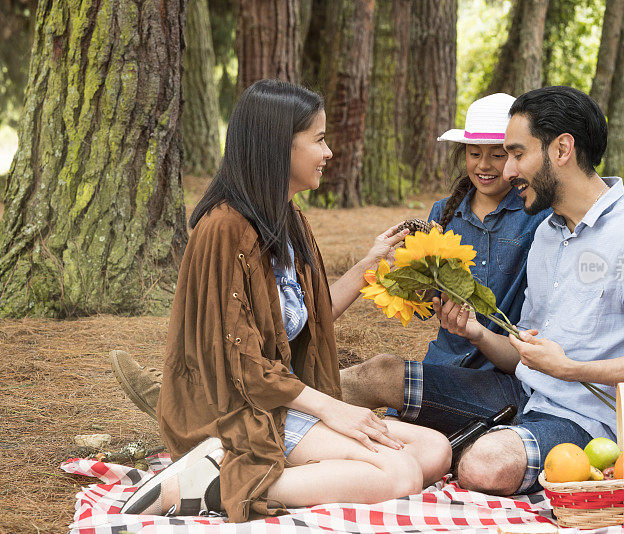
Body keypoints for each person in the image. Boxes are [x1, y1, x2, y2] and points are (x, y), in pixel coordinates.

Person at [119, 80, 451, 521]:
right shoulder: (224, 229)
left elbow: (310, 319)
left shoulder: (286, 217)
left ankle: (254, 473)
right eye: (319, 139)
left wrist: (371, 262)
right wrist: (333, 410)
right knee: (400, 473)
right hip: (239, 409)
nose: (329, 152)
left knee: (434, 450)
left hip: (281, 400)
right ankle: (215, 483)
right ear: (279, 147)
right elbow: (242, 366)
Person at [427, 86, 624, 495]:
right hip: (528, 400)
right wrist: (478, 333)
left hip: (595, 426)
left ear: (562, 150)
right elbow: (531, 353)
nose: (507, 172)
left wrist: (573, 370)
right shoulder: (547, 235)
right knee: (379, 377)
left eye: (518, 154)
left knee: (484, 466)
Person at [339, 93, 624, 433]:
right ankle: (303, 407)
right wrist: (410, 280)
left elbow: (582, 205)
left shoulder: (538, 213)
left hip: (507, 370)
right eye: (474, 154)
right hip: (446, 361)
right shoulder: (445, 213)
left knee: (405, 426)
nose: (486, 165)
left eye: (501, 155)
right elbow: (425, 306)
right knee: (387, 408)